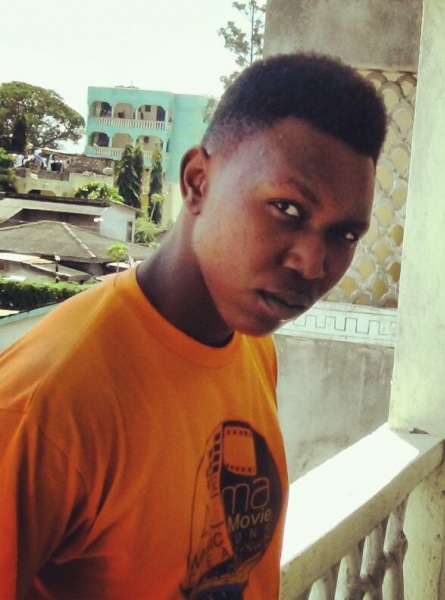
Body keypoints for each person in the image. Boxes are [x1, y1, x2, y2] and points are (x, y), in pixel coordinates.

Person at [0, 53, 387, 599]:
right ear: (197, 182)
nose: (312, 263)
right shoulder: (47, 402)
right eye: (288, 209)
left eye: (343, 235)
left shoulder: (250, 346)